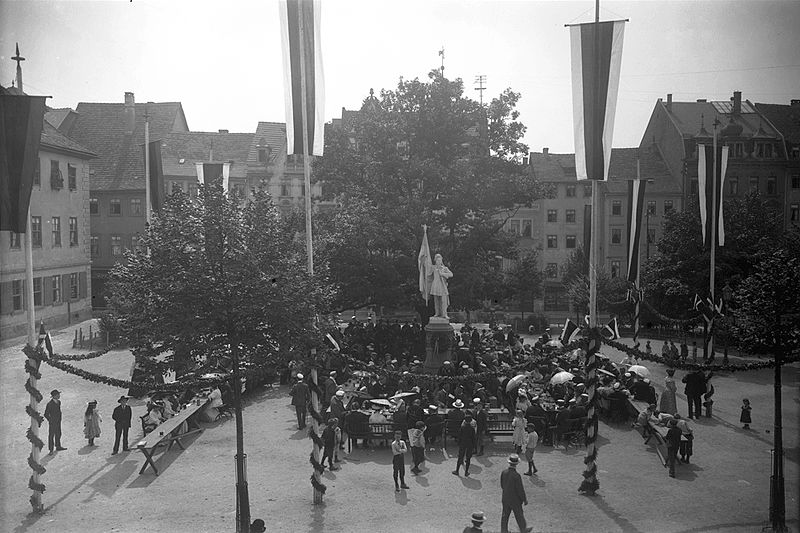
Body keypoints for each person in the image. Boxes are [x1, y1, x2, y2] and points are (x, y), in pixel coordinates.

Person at [500, 454, 531, 533]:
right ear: (517, 464)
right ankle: (523, 529)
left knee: (505, 515)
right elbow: (520, 489)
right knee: (519, 515)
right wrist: (524, 499)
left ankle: (504, 530)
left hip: (505, 497)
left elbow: (502, 485)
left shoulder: (504, 472)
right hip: (515, 499)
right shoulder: (516, 476)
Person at [44, 389, 66, 454]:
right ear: (54, 396)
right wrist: (50, 420)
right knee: (51, 436)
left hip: (58, 421)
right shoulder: (49, 404)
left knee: (58, 433)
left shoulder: (59, 402)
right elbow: (46, 414)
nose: (59, 395)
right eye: (58, 394)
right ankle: (51, 450)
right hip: (52, 423)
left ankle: (58, 446)